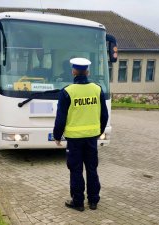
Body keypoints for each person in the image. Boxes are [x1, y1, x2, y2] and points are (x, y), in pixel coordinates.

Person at [53, 57, 108, 212]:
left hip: (74, 140)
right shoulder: (97, 90)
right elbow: (104, 115)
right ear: (88, 72)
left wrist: (57, 136)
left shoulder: (67, 92)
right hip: (92, 138)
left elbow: (61, 118)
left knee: (76, 170)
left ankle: (78, 202)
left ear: (73, 72)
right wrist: (99, 131)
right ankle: (93, 201)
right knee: (92, 169)